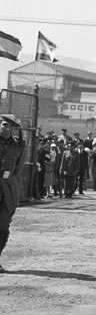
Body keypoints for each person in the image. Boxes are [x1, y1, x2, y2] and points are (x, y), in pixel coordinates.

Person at [0, 115, 26, 272]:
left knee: (3, 225)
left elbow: (18, 168)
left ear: (15, 129)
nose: (7, 129)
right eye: (4, 125)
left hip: (8, 189)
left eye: (11, 127)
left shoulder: (18, 146)